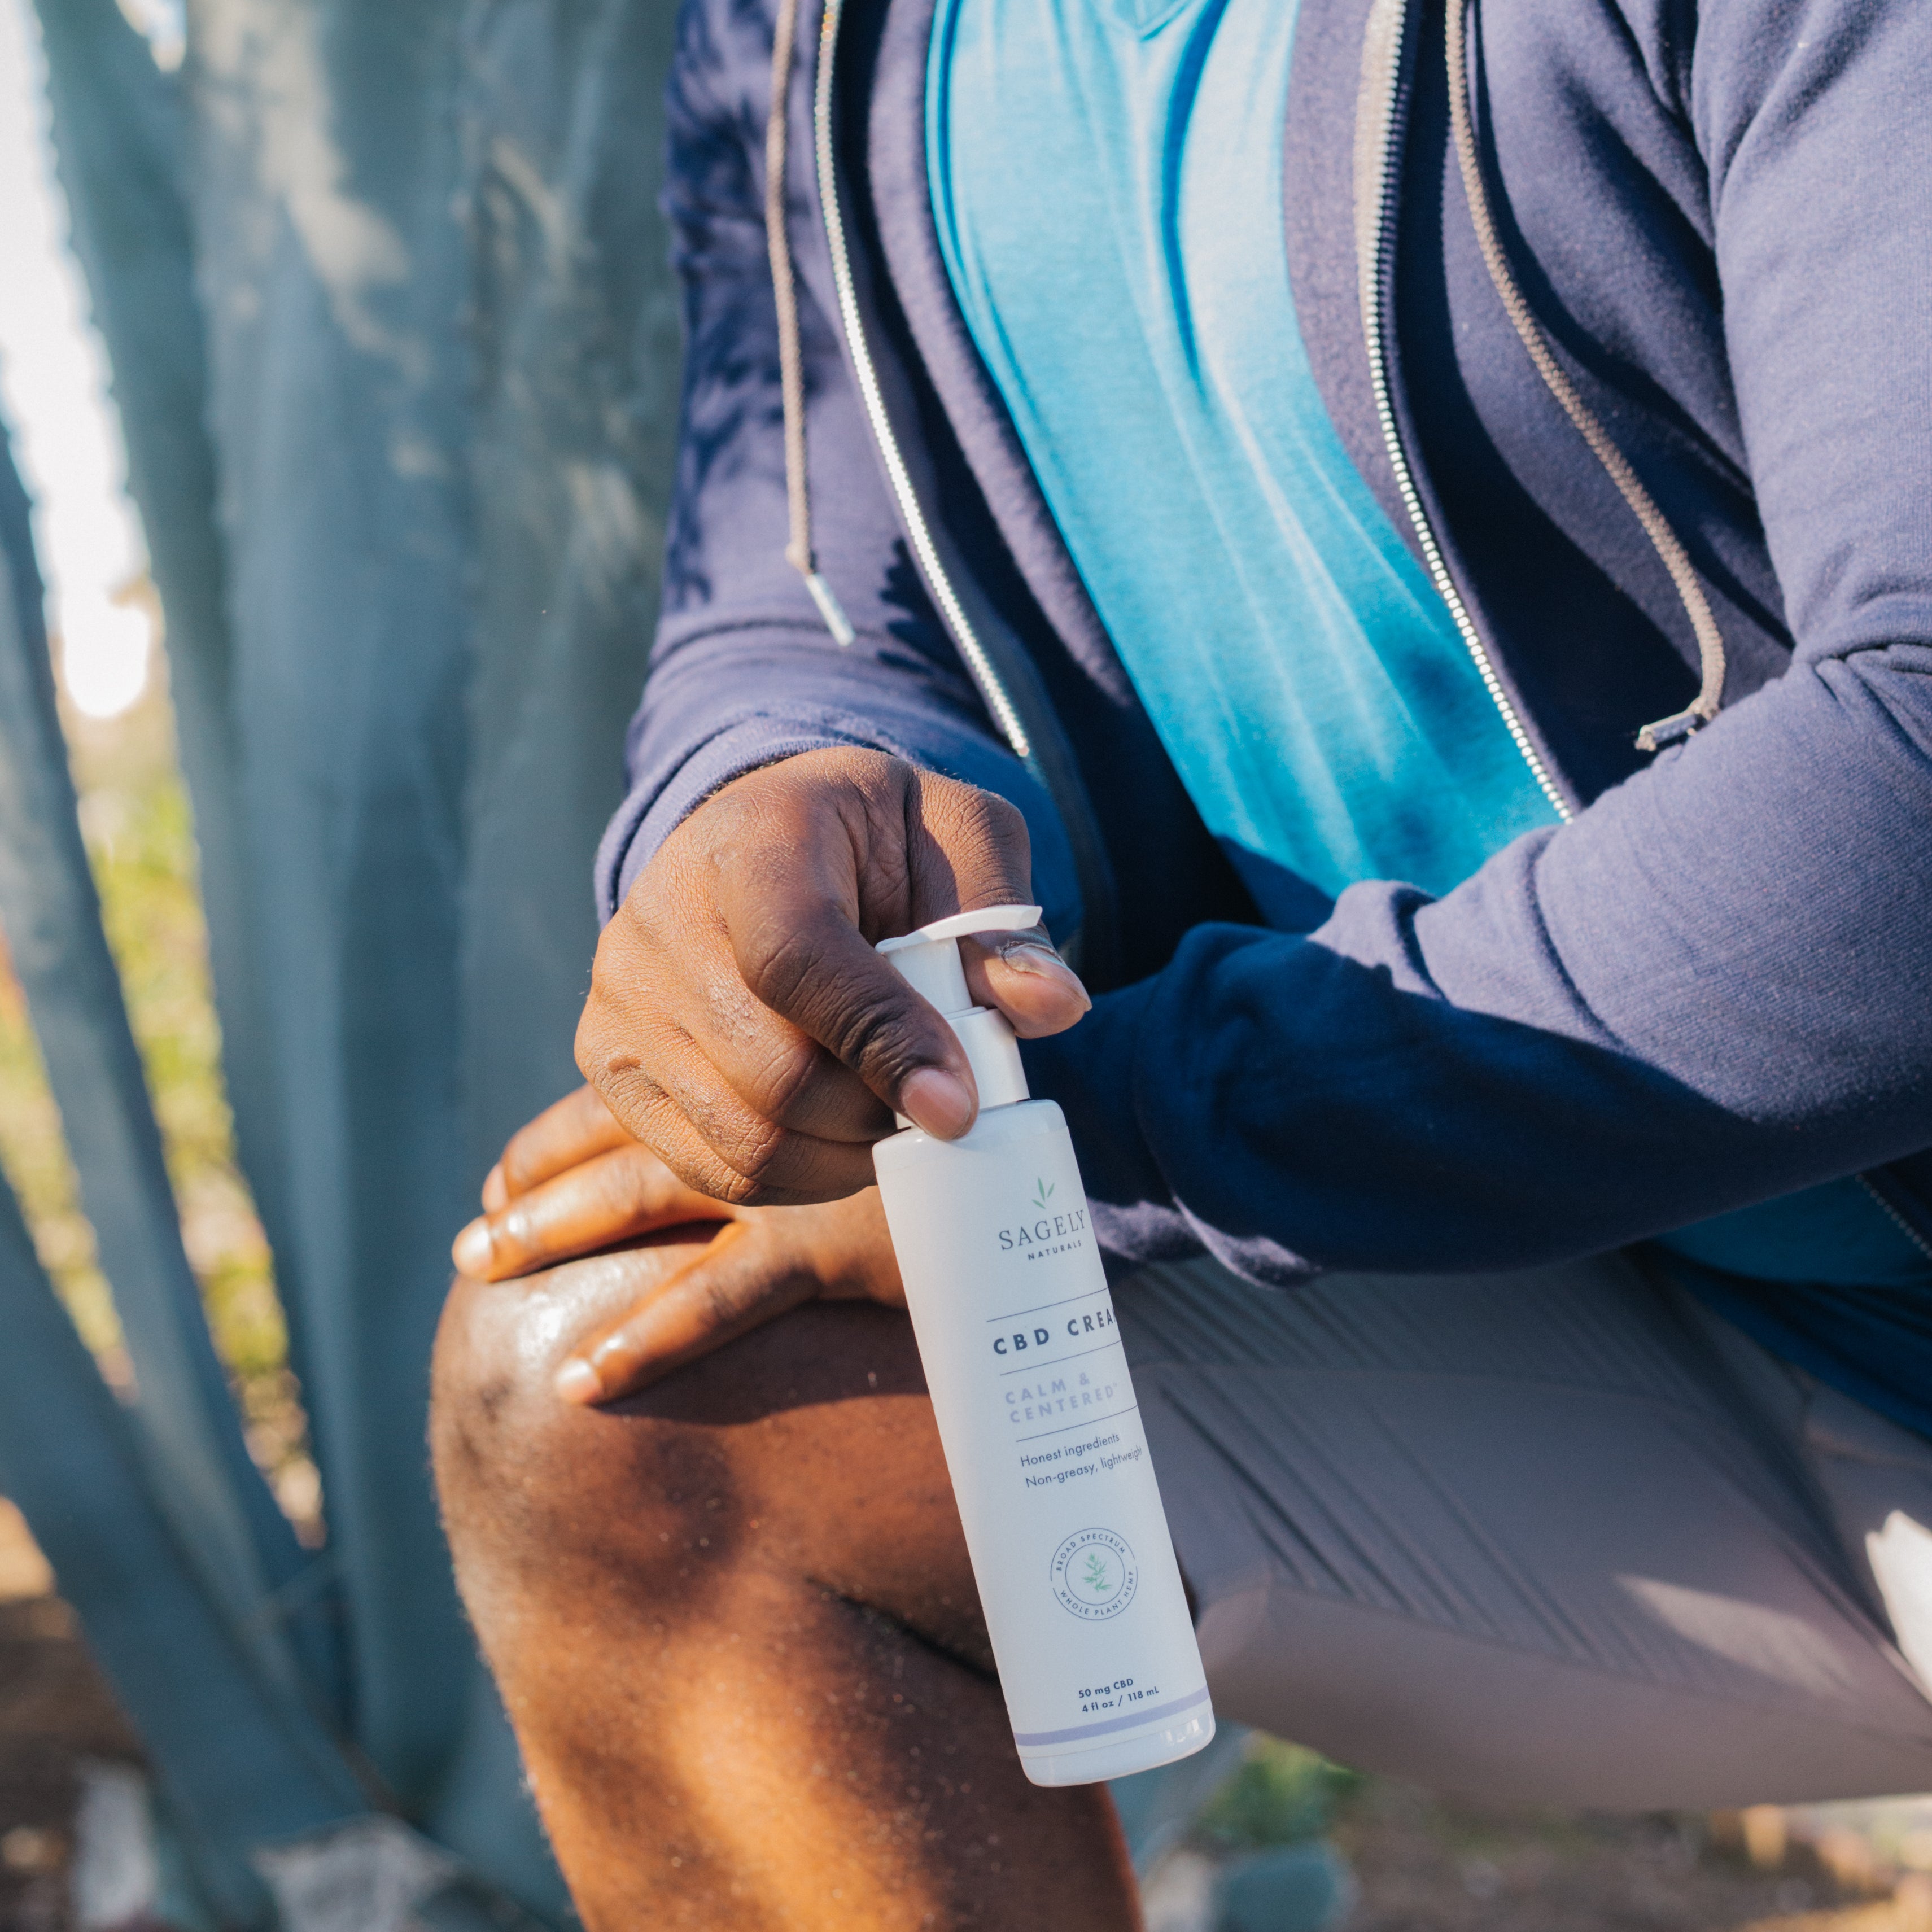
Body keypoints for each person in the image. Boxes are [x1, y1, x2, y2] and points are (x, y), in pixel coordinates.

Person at [429, 0, 1932, 1917]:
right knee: (630, 1397)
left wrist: (1093, 1128)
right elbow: (809, 598)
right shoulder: (809, 37)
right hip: (1704, 1339)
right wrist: (768, 812)